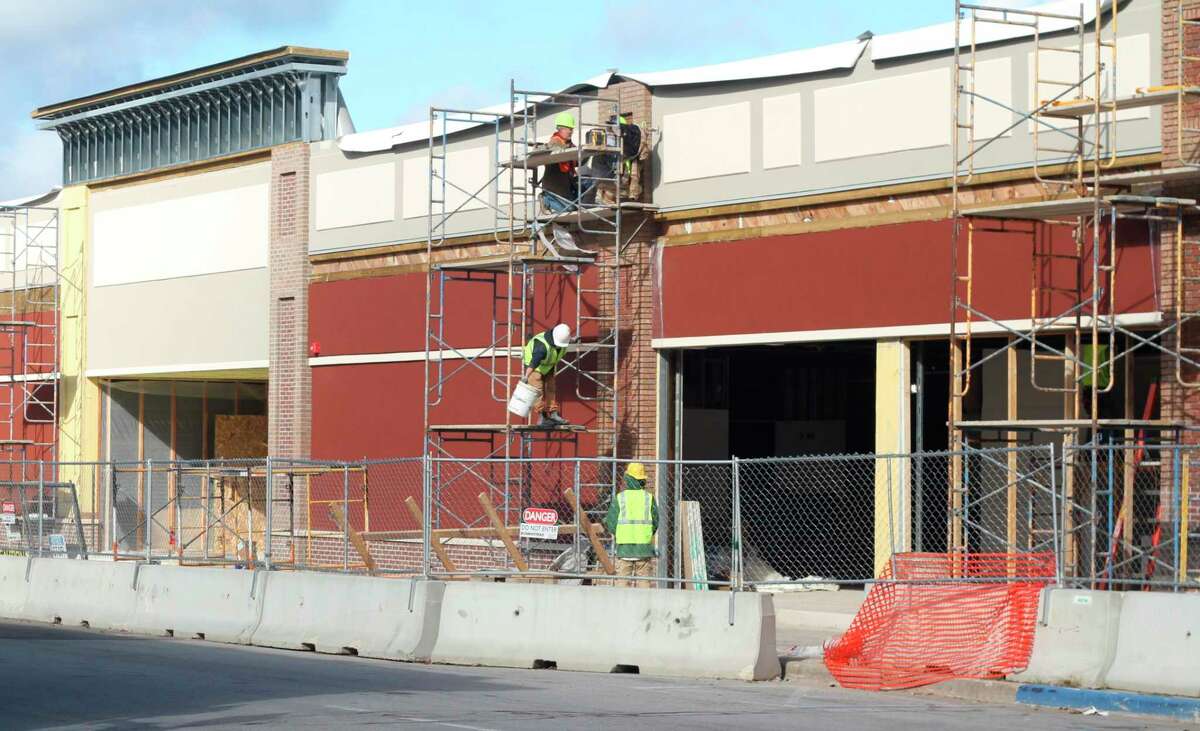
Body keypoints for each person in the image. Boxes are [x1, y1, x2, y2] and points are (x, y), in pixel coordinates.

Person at [602, 462, 659, 588]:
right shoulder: (649, 498)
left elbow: (611, 522)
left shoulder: (620, 498)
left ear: (628, 479)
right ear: (643, 480)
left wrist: (620, 534)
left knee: (622, 584)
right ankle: (645, 608)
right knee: (644, 585)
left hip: (624, 549)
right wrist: (646, 534)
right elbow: (655, 522)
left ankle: (622, 607)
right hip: (643, 550)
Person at [522, 323, 571, 427]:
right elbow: (534, 362)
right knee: (537, 391)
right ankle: (542, 417)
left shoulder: (561, 340)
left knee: (551, 388)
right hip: (534, 367)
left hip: (548, 366)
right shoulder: (542, 347)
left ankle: (553, 414)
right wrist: (526, 376)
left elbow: (561, 345)